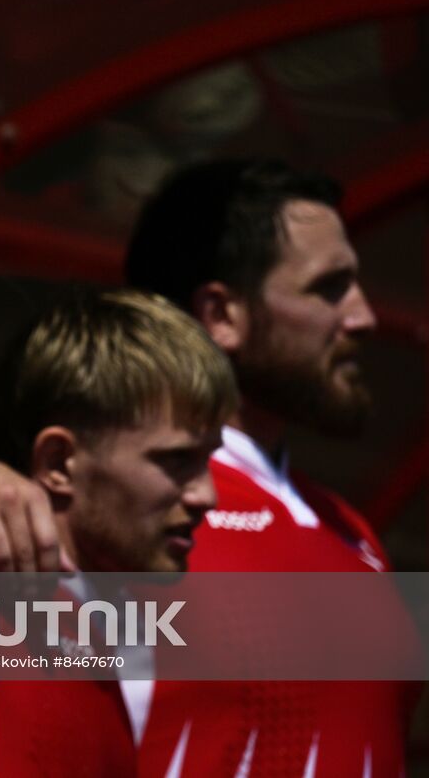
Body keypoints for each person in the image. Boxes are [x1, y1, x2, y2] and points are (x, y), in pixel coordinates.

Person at [125, 159, 418, 777]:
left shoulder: (353, 531)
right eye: (328, 287)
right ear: (222, 315)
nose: (363, 317)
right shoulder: (120, 504)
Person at [0, 286, 236, 778]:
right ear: (59, 462)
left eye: (207, 459)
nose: (207, 496)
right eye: (176, 460)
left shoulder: (109, 630)